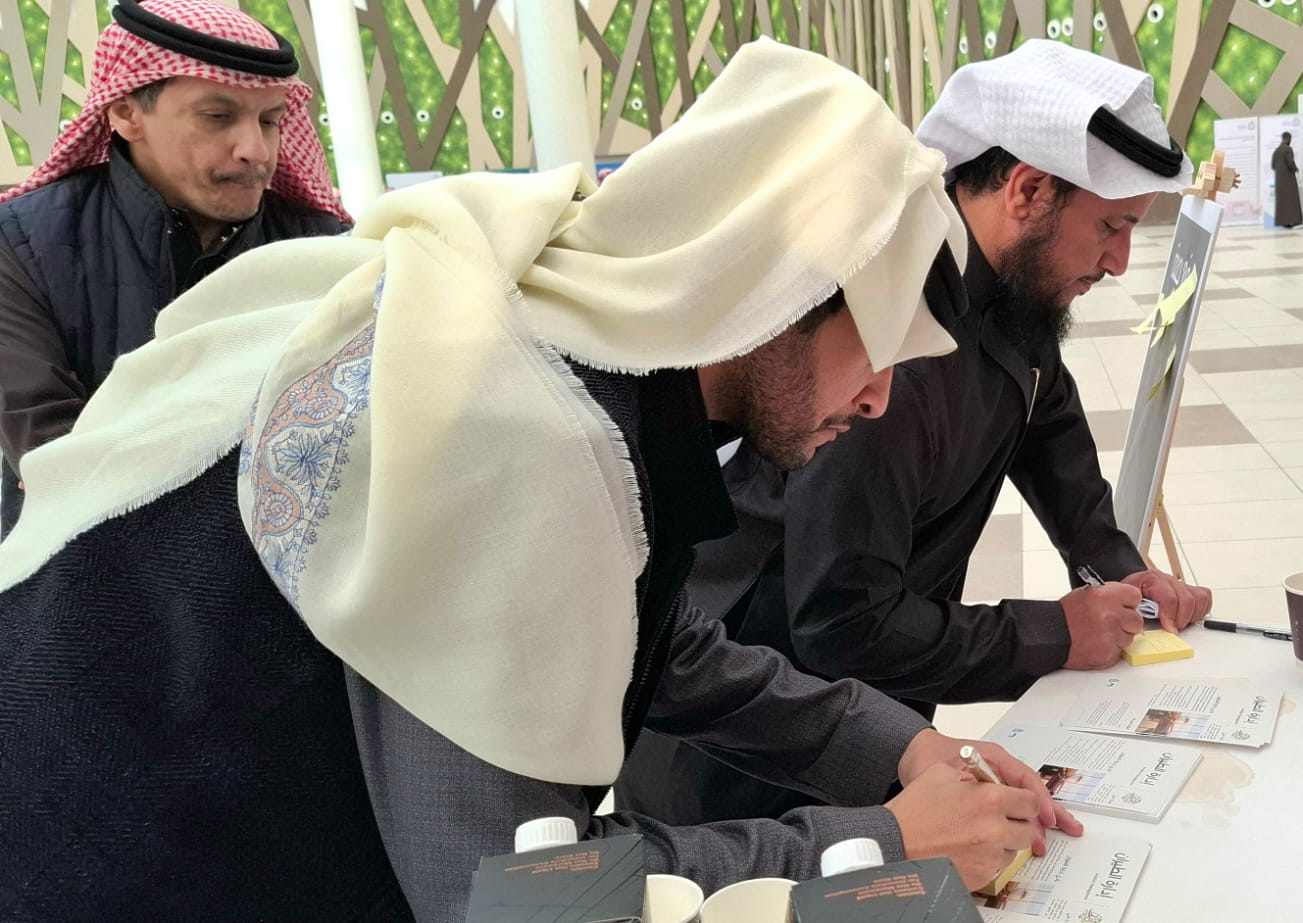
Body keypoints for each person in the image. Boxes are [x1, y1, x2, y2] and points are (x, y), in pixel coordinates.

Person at [0, 41, 1077, 922]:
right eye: (877, 346)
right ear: (771, 291)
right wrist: (879, 842)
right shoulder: (507, 433)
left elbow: (643, 632)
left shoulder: (579, 357)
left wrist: (900, 744)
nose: (881, 399)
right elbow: (511, 889)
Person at [614, 40, 1214, 827]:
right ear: (1029, 190)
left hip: (875, 724)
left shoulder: (1013, 294)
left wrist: (1116, 564)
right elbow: (841, 621)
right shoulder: (887, 323)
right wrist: (1051, 633)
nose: (1121, 260)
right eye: (1111, 225)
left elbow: (1048, 424)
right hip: (751, 750)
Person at [0, 0, 351, 536]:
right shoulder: (20, 243)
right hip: (81, 567)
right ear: (126, 113)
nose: (255, 150)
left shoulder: (324, 245)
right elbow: (52, 455)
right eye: (218, 117)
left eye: (270, 120)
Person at [1271, 131, 1303, 227]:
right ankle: (1295, 221)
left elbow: (1273, 166)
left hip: (1279, 181)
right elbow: (1290, 163)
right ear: (1289, 139)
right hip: (1289, 180)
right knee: (1292, 201)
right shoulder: (1288, 149)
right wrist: (1296, 169)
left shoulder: (1276, 151)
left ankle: (1284, 223)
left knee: (1282, 203)